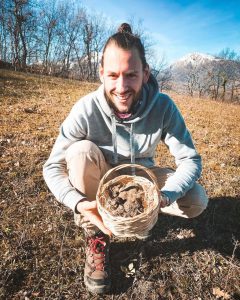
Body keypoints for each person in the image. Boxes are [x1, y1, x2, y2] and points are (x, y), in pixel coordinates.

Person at [43, 23, 208, 294]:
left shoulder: (164, 106)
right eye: (113, 75)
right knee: (79, 151)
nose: (121, 87)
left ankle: (142, 216)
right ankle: (97, 233)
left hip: (143, 176)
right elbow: (52, 166)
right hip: (100, 173)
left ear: (145, 74)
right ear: (102, 75)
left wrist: (166, 195)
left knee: (196, 200)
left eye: (131, 75)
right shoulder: (86, 108)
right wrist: (78, 203)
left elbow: (190, 160)